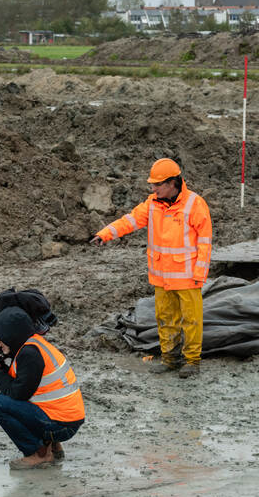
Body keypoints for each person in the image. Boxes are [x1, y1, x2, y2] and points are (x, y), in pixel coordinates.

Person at [90, 158, 212, 378]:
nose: (153, 188)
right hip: (162, 277)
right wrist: (105, 234)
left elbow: (205, 241)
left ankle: (192, 362)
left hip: (187, 277)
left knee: (191, 321)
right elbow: (130, 221)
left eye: (157, 184)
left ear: (172, 183)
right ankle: (170, 359)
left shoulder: (195, 204)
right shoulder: (152, 204)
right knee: (165, 319)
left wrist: (199, 274)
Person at [0, 306, 85, 470]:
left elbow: (17, 394)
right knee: (11, 400)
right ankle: (53, 447)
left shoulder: (29, 354)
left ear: (12, 334)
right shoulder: (34, 343)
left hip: (62, 425)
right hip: (67, 418)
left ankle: (39, 454)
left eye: (0, 337)